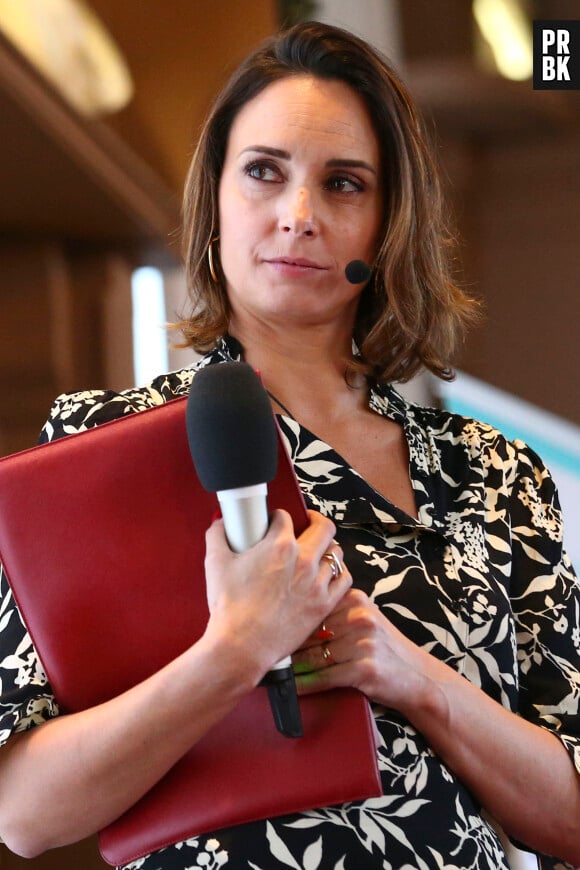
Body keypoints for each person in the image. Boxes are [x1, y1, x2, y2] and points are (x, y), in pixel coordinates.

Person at [0, 20, 579, 870]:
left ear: (386, 231)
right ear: (216, 204)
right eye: (264, 172)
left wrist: (411, 675)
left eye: (344, 184)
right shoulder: (97, 444)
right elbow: (21, 813)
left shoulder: (497, 473)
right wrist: (235, 651)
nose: (299, 216)